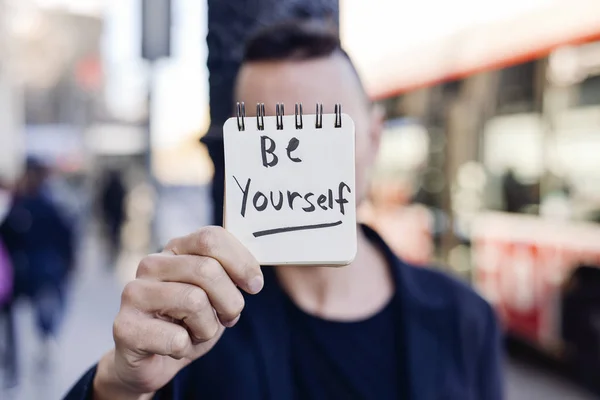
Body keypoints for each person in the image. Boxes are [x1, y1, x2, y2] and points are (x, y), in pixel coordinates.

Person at [66, 20, 503, 400]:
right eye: (269, 138)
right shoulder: (196, 320)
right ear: (239, 153)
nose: (300, 161)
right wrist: (121, 385)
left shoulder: (465, 318)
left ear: (373, 138)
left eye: (324, 129)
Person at [0, 158, 75, 375]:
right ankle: (45, 341)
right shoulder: (29, 203)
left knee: (44, 309)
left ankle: (45, 341)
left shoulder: (30, 204)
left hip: (37, 269)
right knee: (44, 309)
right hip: (38, 270)